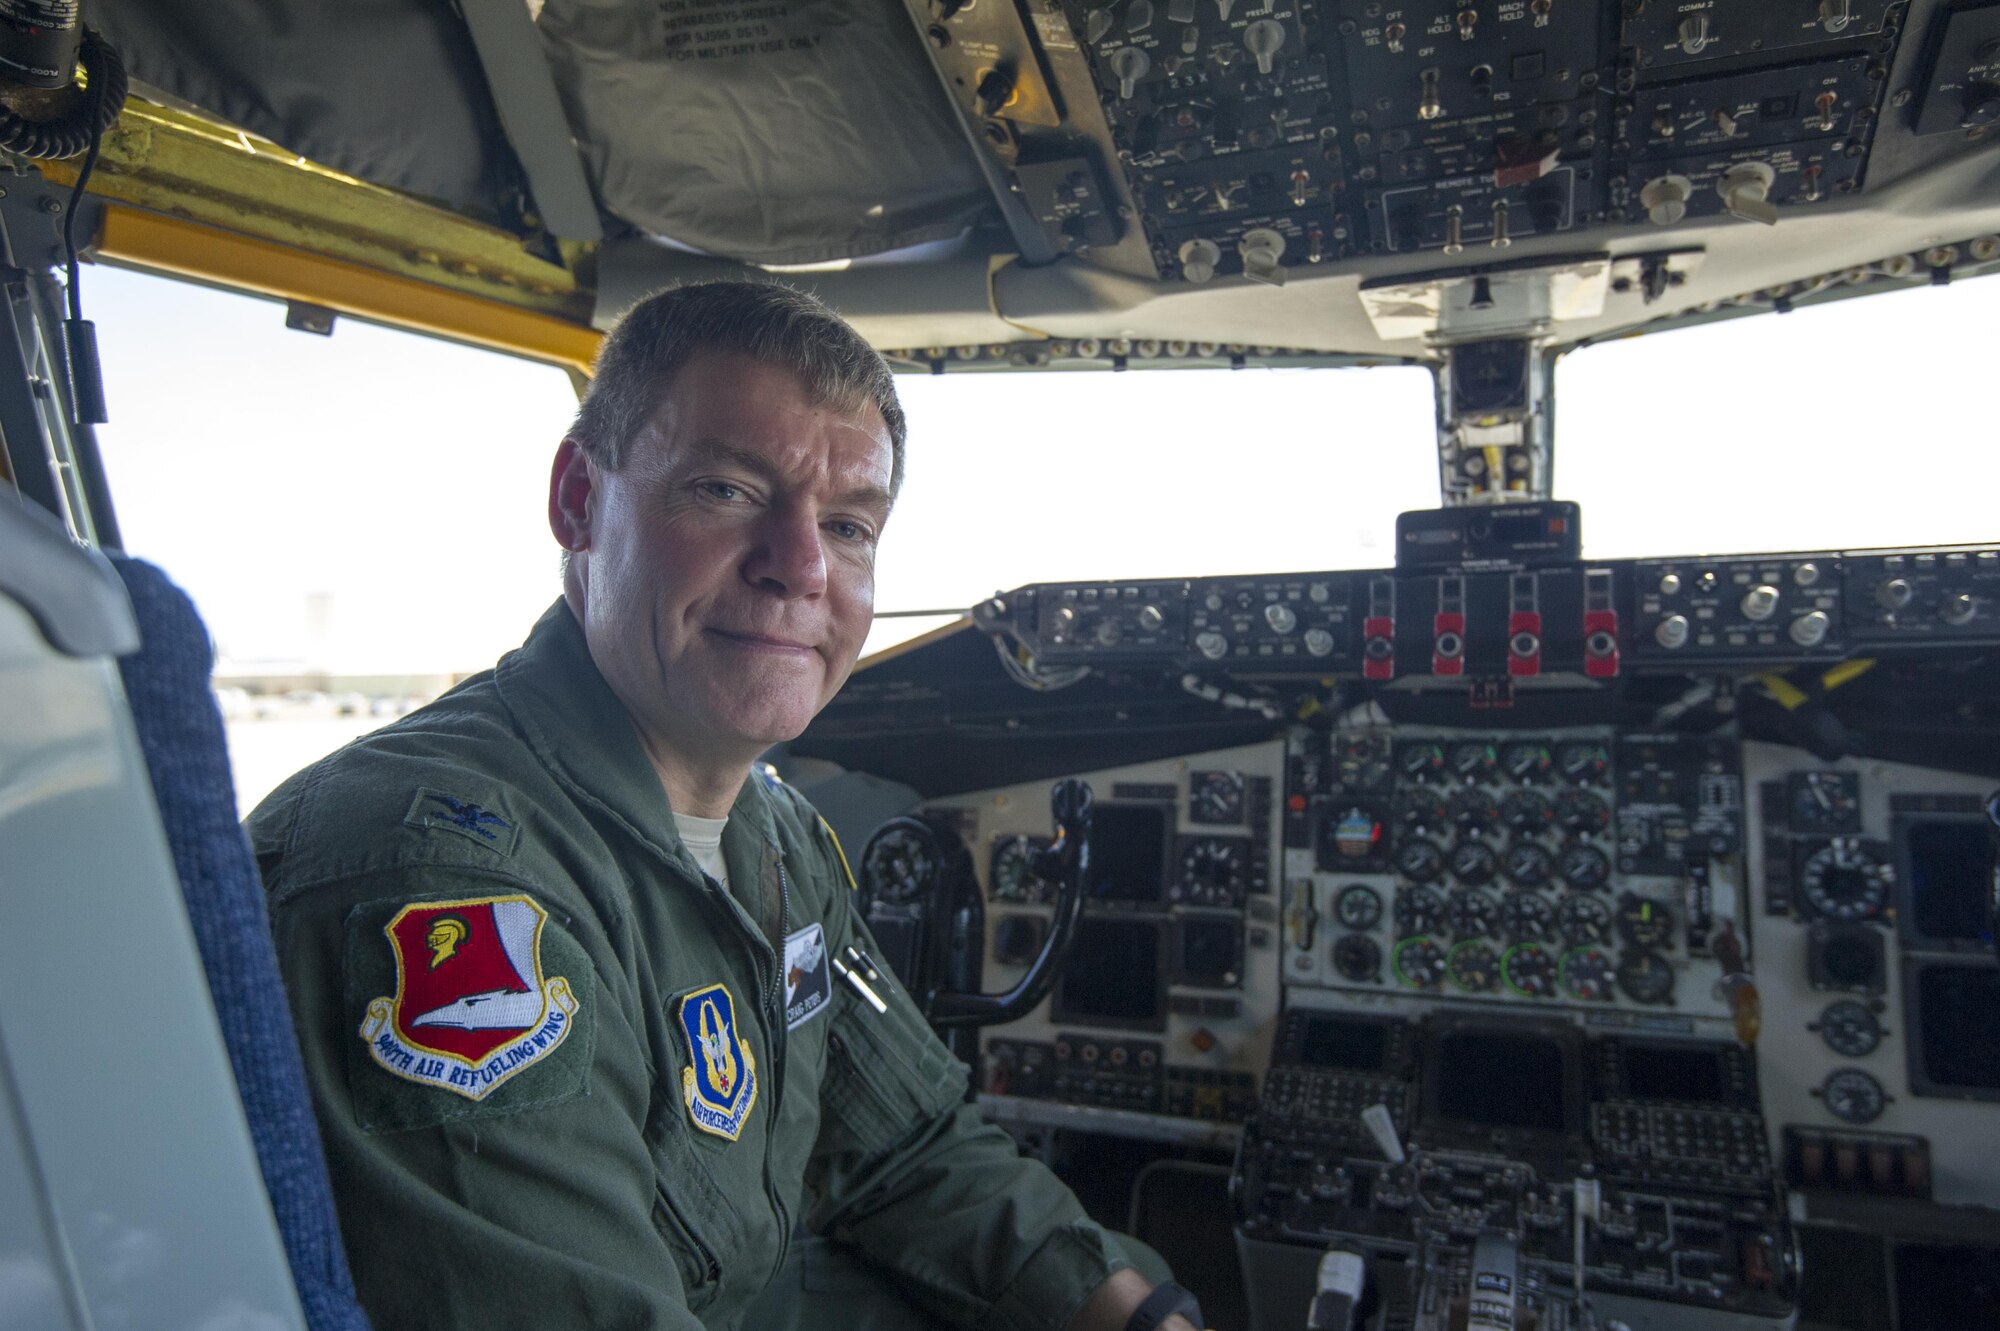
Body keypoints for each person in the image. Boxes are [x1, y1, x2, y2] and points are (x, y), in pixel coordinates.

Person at [249, 281, 1204, 1331]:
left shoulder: (777, 834)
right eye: (725, 490)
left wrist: (1137, 1312)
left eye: (847, 525)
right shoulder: (444, 883)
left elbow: (904, 1146)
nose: (799, 568)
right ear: (578, 498)